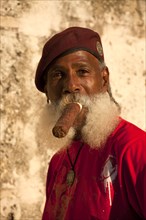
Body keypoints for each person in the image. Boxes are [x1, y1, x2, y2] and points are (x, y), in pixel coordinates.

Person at [35, 27, 146, 220]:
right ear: (47, 91)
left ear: (104, 80)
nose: (71, 86)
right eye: (58, 75)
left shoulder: (134, 149)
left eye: (83, 71)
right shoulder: (57, 163)